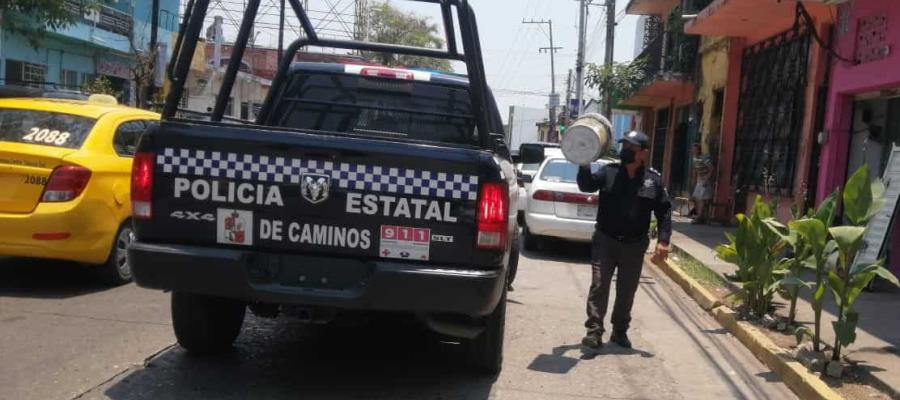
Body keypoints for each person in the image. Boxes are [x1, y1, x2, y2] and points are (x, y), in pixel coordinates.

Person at [576, 131, 672, 349]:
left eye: (631, 147)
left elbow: (664, 212)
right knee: (599, 284)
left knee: (627, 289)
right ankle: (594, 331)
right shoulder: (608, 172)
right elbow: (587, 185)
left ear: (643, 153)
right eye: (624, 146)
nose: (625, 150)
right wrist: (583, 164)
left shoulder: (652, 180)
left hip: (634, 244)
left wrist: (663, 241)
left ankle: (620, 331)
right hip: (605, 240)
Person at [690, 143, 714, 224]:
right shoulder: (694, 158)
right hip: (700, 180)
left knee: (701, 199)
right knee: (695, 197)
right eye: (692, 149)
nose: (693, 150)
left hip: (705, 180)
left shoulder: (704, 158)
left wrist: (706, 179)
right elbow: (695, 170)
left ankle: (700, 217)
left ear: (698, 150)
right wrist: (694, 181)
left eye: (694, 149)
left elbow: (711, 168)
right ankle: (699, 215)